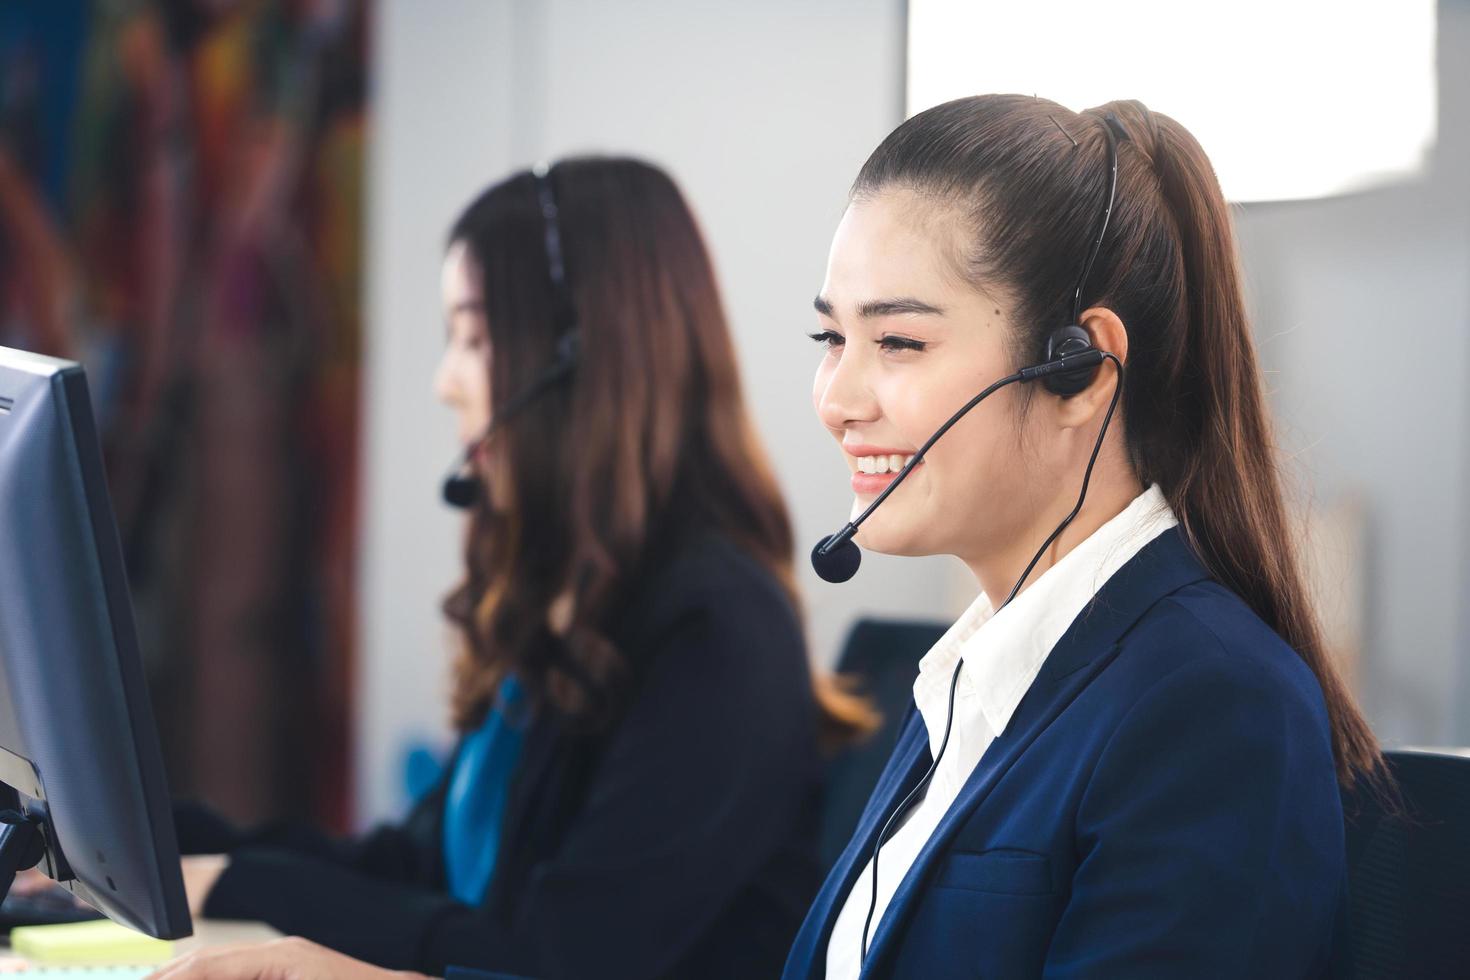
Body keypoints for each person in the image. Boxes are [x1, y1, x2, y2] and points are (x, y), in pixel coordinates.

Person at [161, 156, 868, 980]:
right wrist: (182, 853)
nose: (444, 382)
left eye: (473, 336)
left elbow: (552, 960)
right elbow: (419, 869)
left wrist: (236, 887)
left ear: (574, 362)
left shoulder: (717, 628)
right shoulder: (564, 595)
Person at [783, 95, 1382, 978]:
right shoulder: (970, 686)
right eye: (832, 336)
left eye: (900, 341)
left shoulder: (1216, 706)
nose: (836, 400)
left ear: (1081, 368)